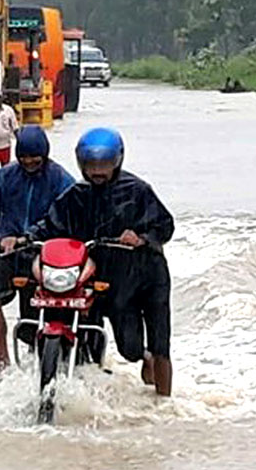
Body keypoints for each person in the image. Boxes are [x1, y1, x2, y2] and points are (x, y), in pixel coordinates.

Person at [27, 127, 175, 396]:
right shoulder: (75, 195)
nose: (97, 171)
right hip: (103, 276)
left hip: (146, 277)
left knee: (153, 345)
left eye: (104, 164)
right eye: (91, 164)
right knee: (110, 339)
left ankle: (165, 408)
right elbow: (49, 225)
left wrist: (141, 238)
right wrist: (26, 238)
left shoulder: (138, 190)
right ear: (81, 164)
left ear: (117, 161)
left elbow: (165, 226)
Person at [0, 126, 76, 387]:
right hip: (7, 251)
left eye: (34, 159)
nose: (28, 163)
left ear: (45, 156)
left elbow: (63, 222)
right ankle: (3, 364)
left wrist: (29, 238)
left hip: (44, 254)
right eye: (24, 158)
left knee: (35, 312)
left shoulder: (62, 181)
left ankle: (46, 359)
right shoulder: (6, 176)